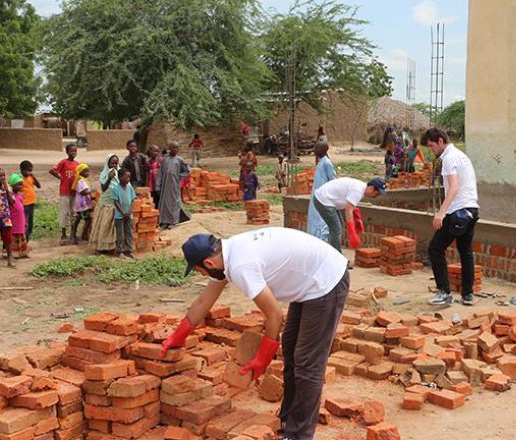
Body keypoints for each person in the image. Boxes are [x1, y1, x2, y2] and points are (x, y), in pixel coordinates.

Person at [161, 227, 349, 440]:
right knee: (290, 345)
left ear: (208, 264)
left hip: (326, 281)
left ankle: (299, 435)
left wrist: (262, 358)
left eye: (199, 271)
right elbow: (204, 302)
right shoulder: (226, 255)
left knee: (307, 361)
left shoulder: (241, 265)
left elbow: (275, 315)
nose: (203, 275)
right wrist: (175, 338)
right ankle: (288, 418)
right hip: (308, 281)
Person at [423, 128, 480, 307]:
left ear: (440, 141)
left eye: (432, 145)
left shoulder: (448, 158)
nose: (431, 149)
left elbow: (454, 187)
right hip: (471, 209)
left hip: (458, 211)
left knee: (435, 249)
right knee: (465, 252)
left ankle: (444, 292)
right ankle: (468, 295)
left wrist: (441, 213)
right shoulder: (460, 155)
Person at [312, 177, 386, 252]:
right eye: (377, 193)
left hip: (329, 200)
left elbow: (351, 205)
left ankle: (333, 251)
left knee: (339, 226)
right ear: (371, 188)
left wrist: (357, 219)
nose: (376, 196)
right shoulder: (358, 191)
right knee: (336, 228)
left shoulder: (361, 187)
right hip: (323, 200)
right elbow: (348, 210)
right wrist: (352, 232)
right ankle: (335, 256)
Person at [89, 154, 120, 254]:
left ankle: (110, 247)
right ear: (108, 163)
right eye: (112, 163)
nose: (114, 165)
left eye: (116, 163)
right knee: (103, 226)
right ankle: (99, 247)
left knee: (111, 228)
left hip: (115, 204)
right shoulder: (104, 174)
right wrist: (109, 178)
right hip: (105, 204)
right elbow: (103, 188)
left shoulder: (120, 172)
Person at [156, 142, 190, 229]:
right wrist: (158, 185)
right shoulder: (164, 160)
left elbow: (187, 171)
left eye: (177, 148)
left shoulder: (179, 160)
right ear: (169, 149)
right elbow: (160, 173)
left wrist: (180, 176)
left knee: (175, 203)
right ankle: (164, 222)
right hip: (165, 186)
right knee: (164, 204)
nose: (175, 150)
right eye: (173, 148)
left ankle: (174, 221)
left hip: (174, 185)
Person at [306, 143, 337, 242]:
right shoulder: (321, 162)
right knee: (314, 219)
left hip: (323, 197)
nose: (315, 150)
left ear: (324, 150)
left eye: (317, 148)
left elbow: (333, 180)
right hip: (316, 195)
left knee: (321, 221)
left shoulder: (327, 163)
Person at [50, 143, 79, 245]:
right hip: (65, 191)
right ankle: (63, 233)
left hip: (74, 192)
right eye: (71, 151)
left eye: (75, 151)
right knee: (64, 212)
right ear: (67, 152)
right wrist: (61, 178)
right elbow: (52, 170)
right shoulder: (63, 162)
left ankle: (72, 234)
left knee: (74, 212)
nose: (73, 153)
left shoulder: (77, 164)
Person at [112, 168, 137, 259]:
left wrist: (130, 211)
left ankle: (129, 250)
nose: (128, 179)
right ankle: (120, 251)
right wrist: (123, 212)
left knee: (129, 233)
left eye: (129, 177)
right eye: (126, 177)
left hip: (129, 215)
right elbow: (116, 202)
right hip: (119, 216)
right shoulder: (115, 189)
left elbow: (133, 200)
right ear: (120, 177)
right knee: (120, 234)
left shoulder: (129, 188)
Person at [8, 174, 29, 259]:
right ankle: (14, 254)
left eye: (21, 184)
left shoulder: (19, 196)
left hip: (20, 221)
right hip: (14, 222)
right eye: (18, 184)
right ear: (12, 185)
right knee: (13, 238)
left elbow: (22, 210)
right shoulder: (11, 197)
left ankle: (22, 252)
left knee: (21, 237)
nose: (20, 186)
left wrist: (25, 221)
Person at [71, 164, 93, 244]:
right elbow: (83, 192)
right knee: (88, 220)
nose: (88, 172)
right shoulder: (80, 181)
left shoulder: (83, 179)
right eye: (86, 171)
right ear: (81, 172)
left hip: (83, 204)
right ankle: (82, 235)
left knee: (78, 218)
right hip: (83, 204)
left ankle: (74, 235)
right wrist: (91, 192)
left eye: (88, 170)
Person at [19, 161, 40, 241]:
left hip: (31, 203)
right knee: (24, 222)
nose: (29, 172)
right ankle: (23, 238)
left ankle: (28, 236)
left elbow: (38, 186)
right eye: (28, 170)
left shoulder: (30, 177)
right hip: (24, 204)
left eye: (31, 170)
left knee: (30, 222)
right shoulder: (19, 178)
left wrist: (33, 177)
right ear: (21, 170)